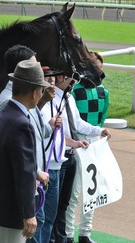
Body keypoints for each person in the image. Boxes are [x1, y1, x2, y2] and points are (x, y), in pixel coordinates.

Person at [0, 60, 51, 243]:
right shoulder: (21, 123)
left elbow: (12, 160)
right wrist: (28, 214)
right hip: (10, 213)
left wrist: (35, 173)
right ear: (35, 92)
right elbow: (23, 172)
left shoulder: (4, 112)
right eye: (42, 90)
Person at [49, 74, 111, 243]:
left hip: (70, 158)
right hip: (57, 158)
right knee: (54, 207)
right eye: (71, 77)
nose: (74, 81)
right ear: (61, 77)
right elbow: (54, 131)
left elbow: (78, 123)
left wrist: (99, 131)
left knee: (63, 203)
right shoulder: (50, 99)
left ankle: (64, 238)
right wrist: (74, 143)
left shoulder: (69, 97)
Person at [65, 53, 110, 243]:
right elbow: (75, 121)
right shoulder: (74, 92)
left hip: (95, 144)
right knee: (74, 193)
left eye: (98, 67)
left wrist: (99, 133)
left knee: (92, 192)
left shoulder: (104, 92)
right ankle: (68, 234)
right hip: (78, 143)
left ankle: (85, 233)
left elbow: (102, 116)